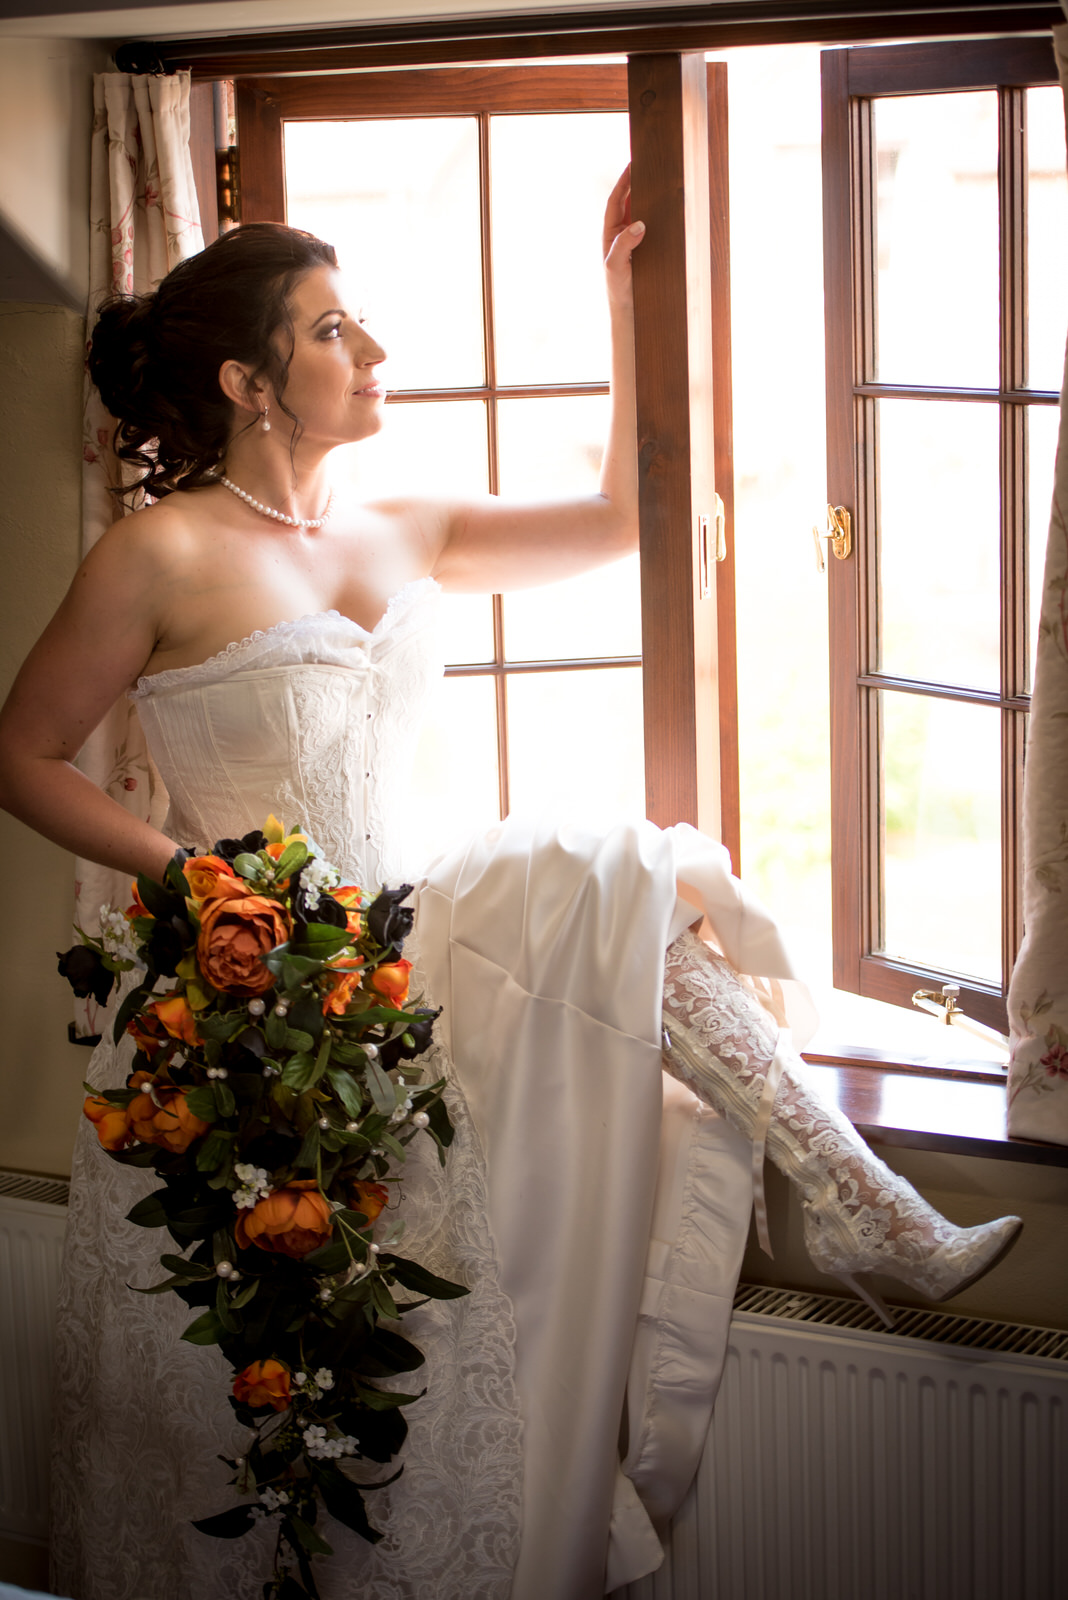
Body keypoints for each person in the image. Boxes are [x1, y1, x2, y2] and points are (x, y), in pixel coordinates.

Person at [0, 179, 1021, 1600]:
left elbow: (616, 520)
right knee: (268, 1385)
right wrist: (199, 877)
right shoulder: (156, 551)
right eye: (333, 330)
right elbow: (24, 753)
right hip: (250, 990)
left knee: (613, 874)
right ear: (248, 381)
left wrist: (620, 303)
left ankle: (868, 1209)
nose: (373, 352)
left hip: (408, 925)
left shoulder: (403, 518)